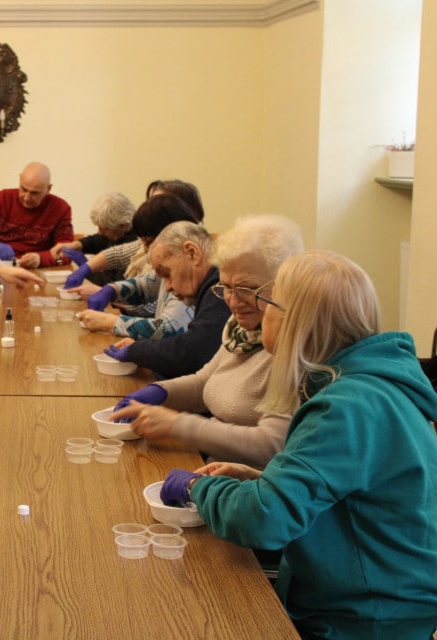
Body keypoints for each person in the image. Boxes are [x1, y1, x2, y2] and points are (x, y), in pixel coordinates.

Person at [160, 251, 437, 640]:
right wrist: (263, 478)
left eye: (267, 302)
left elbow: (263, 520)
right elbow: (350, 493)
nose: (259, 311)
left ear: (297, 322)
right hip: (380, 600)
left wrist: (196, 488)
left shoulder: (346, 407)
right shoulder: (371, 384)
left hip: (362, 619)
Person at [111, 215, 304, 468]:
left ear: (283, 286)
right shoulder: (239, 330)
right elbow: (205, 381)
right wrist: (160, 393)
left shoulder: (292, 348)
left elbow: (271, 445)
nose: (233, 302)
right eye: (226, 287)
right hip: (209, 469)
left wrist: (178, 424)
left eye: (246, 289)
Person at [103, 221, 231, 379]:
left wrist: (136, 351)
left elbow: (191, 353)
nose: (168, 287)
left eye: (167, 274)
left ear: (192, 253)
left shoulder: (221, 286)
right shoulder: (209, 282)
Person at [74, 193, 198, 340]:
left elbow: (168, 328)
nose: (144, 249)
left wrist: (111, 322)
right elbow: (145, 284)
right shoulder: (173, 263)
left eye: (148, 242)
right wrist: (112, 290)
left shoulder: (189, 271)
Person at [65, 178, 203, 289]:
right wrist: (87, 266)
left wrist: (110, 294)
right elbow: (119, 253)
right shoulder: (152, 240)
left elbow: (151, 307)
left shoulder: (185, 254)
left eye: (158, 204)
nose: (150, 208)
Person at [0, 162, 74, 268]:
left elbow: (67, 254)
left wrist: (41, 259)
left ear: (48, 189)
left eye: (35, 193)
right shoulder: (2, 199)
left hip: (36, 272)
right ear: (19, 180)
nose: (27, 197)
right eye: (23, 189)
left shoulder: (60, 209)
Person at [49, 191, 138, 285]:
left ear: (122, 226)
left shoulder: (134, 246)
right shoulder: (118, 233)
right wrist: (73, 245)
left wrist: (85, 266)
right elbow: (96, 241)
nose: (99, 232)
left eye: (105, 228)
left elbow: (110, 284)